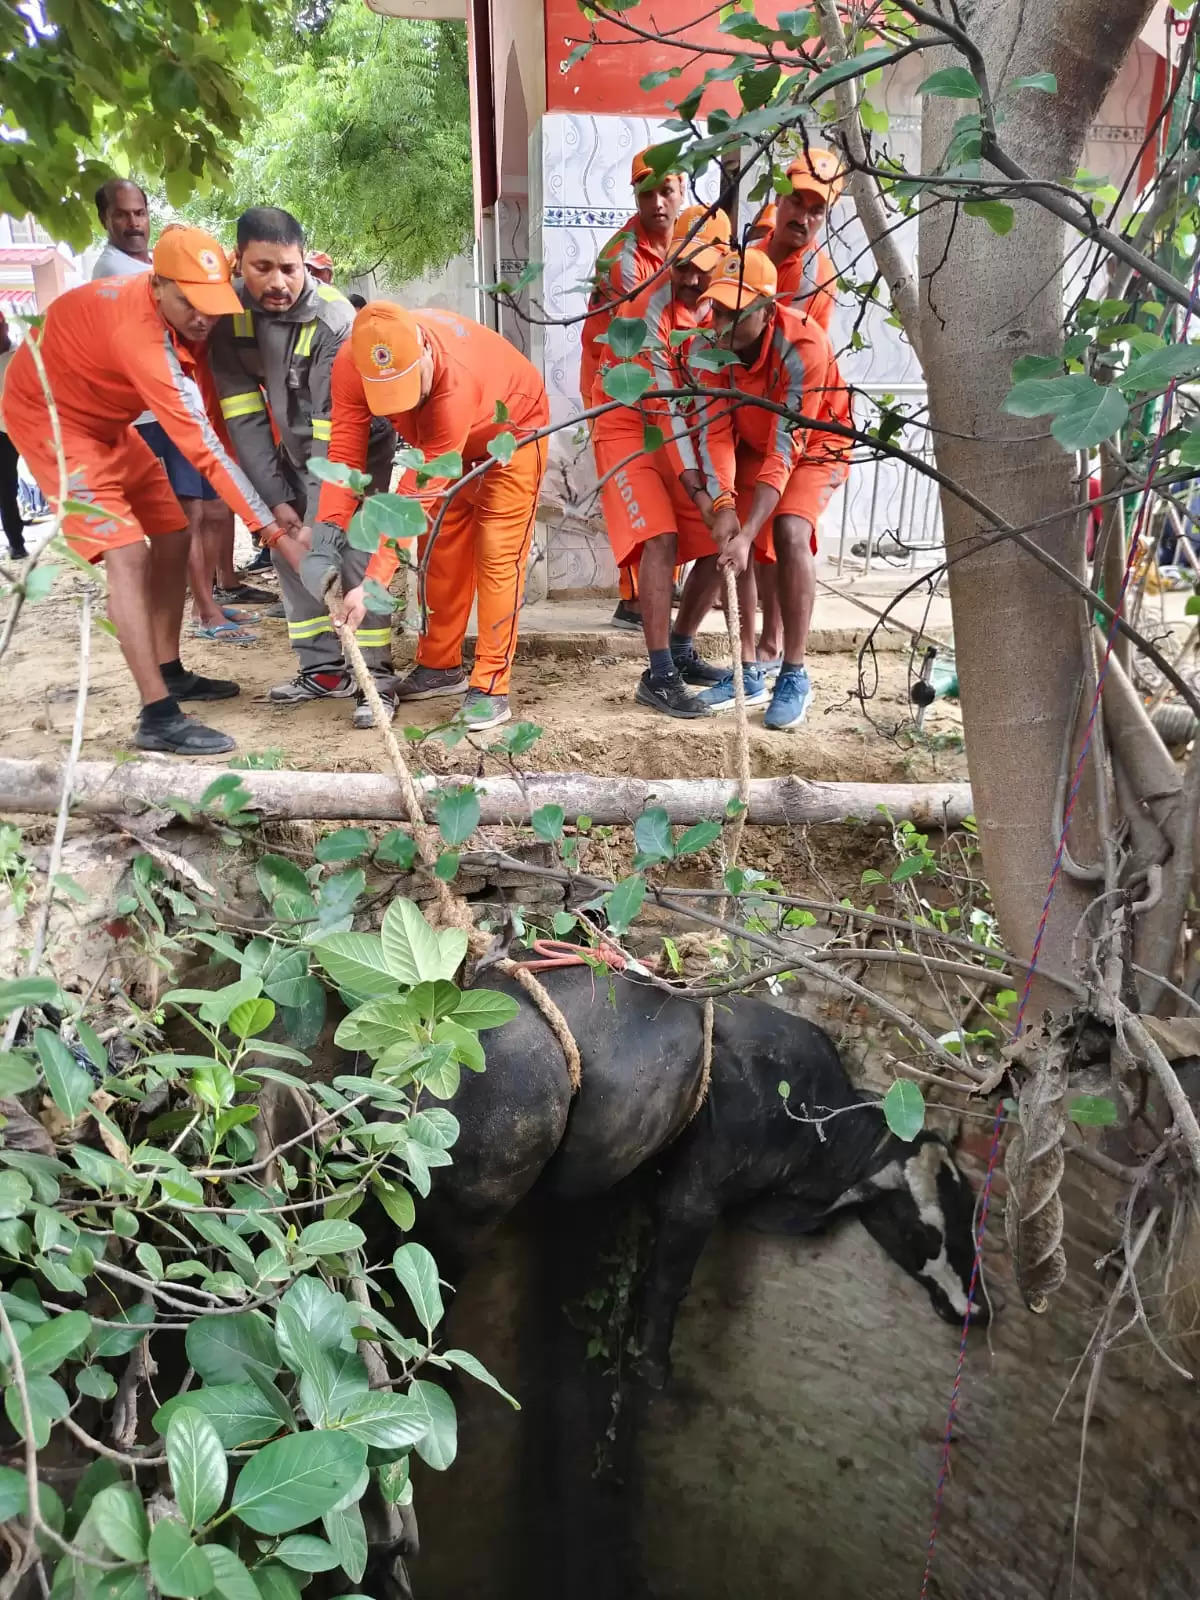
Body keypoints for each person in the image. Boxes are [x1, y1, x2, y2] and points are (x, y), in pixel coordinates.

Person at [3, 228, 303, 754]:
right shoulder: (140, 336)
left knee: (172, 531)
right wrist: (275, 531)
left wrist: (269, 508)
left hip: (109, 423)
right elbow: (203, 450)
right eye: (190, 303)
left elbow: (212, 414)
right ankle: (157, 713)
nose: (203, 318)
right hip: (52, 419)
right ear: (158, 284)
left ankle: (170, 669)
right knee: (126, 552)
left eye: (211, 304)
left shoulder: (191, 323)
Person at [313, 302, 549, 732]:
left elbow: (419, 489)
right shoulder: (351, 362)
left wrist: (372, 582)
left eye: (408, 387)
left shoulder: (453, 378)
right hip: (440, 443)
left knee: (498, 559)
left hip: (512, 434)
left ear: (423, 350)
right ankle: (440, 668)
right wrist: (328, 536)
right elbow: (345, 452)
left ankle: (491, 687)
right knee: (439, 550)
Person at [209, 207, 397, 726]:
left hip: (353, 448)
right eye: (262, 267)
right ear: (238, 261)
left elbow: (336, 439)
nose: (278, 282)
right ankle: (324, 670)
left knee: (351, 547)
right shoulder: (228, 315)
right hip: (289, 446)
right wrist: (277, 501)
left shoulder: (335, 321)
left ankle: (375, 676)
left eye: (289, 268)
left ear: (304, 263)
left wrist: (320, 518)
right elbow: (241, 414)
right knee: (290, 547)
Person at [589, 206, 742, 717]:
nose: (693, 278)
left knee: (719, 533)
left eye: (704, 265)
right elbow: (672, 413)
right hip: (627, 423)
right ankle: (658, 673)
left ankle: (680, 649)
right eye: (683, 264)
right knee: (661, 534)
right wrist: (703, 493)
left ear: (724, 260)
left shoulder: (720, 313)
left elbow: (711, 416)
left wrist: (721, 498)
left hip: (675, 425)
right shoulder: (648, 310)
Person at [692, 249, 852, 730]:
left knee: (788, 531)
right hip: (752, 439)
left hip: (816, 439)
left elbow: (789, 444)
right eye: (717, 308)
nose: (721, 321)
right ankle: (748, 669)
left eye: (734, 312)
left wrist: (750, 528)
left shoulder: (804, 344)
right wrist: (723, 505)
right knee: (733, 530)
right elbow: (715, 431)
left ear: (767, 309)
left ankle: (794, 671)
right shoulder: (711, 344)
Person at [91, 185, 261, 635]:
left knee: (206, 510)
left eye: (140, 212)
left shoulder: (152, 266)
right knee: (182, 517)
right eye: (123, 215)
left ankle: (213, 600)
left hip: (181, 403)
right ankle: (204, 610)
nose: (134, 223)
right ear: (105, 219)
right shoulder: (115, 271)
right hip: (148, 416)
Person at [579, 149, 686, 630]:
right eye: (647, 193)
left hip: (657, 381)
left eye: (666, 190)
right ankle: (636, 598)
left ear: (682, 191)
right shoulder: (622, 259)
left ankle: (659, 586)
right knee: (640, 489)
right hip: (616, 383)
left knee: (668, 481)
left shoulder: (688, 244)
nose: (658, 202)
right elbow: (644, 335)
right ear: (636, 198)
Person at [749, 149, 844, 669]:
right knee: (759, 529)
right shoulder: (751, 256)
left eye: (817, 209)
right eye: (796, 201)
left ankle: (784, 656)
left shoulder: (817, 277)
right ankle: (763, 645)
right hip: (759, 413)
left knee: (787, 527)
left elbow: (794, 367)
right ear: (777, 198)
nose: (804, 217)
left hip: (810, 419)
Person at [0, 313, 28, 559]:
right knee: (5, 490)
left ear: (5, 327)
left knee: (62, 479)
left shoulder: (24, 355)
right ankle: (16, 544)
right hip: (1, 432)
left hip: (32, 427)